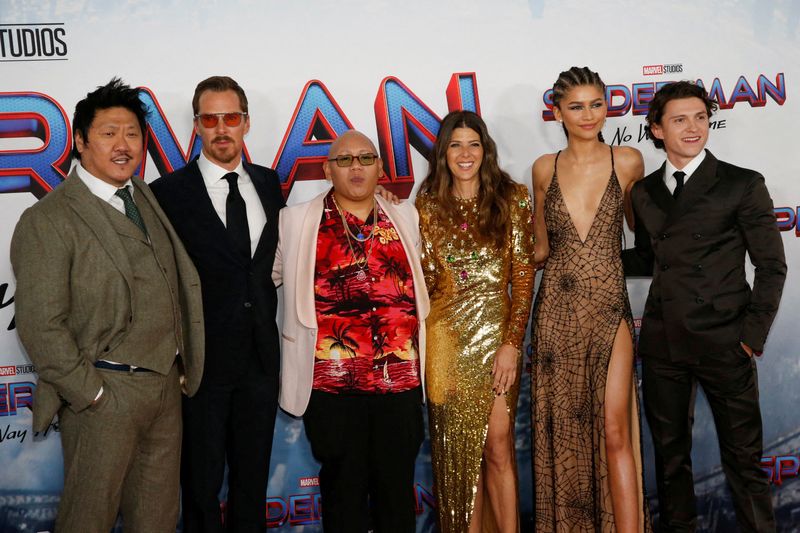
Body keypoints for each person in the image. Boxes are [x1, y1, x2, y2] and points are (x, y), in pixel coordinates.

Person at [10, 78, 204, 533]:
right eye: (109, 133)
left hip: (164, 391)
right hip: (103, 395)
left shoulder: (144, 197)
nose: (124, 145)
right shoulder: (48, 219)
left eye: (133, 133)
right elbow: (40, 325)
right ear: (79, 141)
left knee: (156, 521)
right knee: (87, 521)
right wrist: (93, 395)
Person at [623, 81, 786, 532]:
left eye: (699, 117)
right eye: (679, 119)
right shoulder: (644, 192)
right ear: (657, 130)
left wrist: (750, 338)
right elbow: (649, 258)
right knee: (671, 463)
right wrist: (586, 256)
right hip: (664, 344)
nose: (693, 127)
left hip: (726, 341)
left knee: (745, 464)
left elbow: (772, 266)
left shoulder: (742, 183)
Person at [272, 130, 428, 533]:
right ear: (327, 169)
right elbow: (265, 279)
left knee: (396, 496)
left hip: (400, 385)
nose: (356, 167)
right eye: (344, 160)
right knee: (344, 497)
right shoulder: (295, 221)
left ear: (380, 167)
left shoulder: (406, 215)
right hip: (333, 390)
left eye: (365, 158)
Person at [150, 76, 284, 533]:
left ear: (246, 123)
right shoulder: (168, 193)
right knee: (201, 489)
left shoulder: (269, 184)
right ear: (197, 127)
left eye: (231, 118)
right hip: (200, 367)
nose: (221, 128)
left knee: (252, 486)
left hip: (261, 362)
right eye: (211, 119)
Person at [530, 67, 651, 532]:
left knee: (615, 429)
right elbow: (540, 249)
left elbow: (641, 231)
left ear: (608, 106)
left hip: (608, 309)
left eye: (596, 104)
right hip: (556, 314)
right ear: (557, 112)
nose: (588, 115)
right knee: (564, 435)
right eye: (576, 106)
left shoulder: (629, 160)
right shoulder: (544, 168)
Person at [416, 110, 534, 533]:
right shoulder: (426, 204)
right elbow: (425, 281)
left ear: (485, 150)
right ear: (443, 153)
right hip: (445, 341)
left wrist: (511, 344)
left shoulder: (512, 197)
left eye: (473, 144)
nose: (465, 154)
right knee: (455, 458)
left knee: (498, 447)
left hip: (496, 339)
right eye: (455, 145)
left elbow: (523, 277)